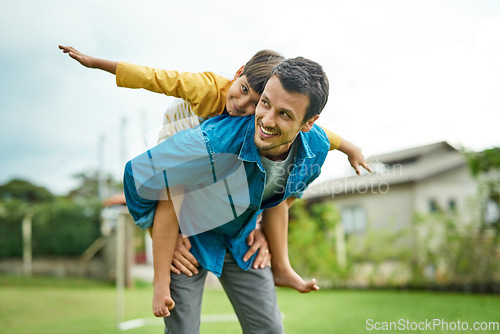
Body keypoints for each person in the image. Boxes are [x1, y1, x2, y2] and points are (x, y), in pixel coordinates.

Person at [59, 46, 371, 319]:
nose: (246, 108)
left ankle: (283, 267)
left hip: (232, 206)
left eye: (261, 104)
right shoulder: (209, 91)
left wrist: (352, 148)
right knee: (174, 190)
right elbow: (155, 78)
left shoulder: (294, 134)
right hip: (182, 150)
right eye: (256, 99)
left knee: (272, 186)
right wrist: (96, 62)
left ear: (306, 123)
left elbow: (321, 137)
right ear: (238, 74)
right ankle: (162, 278)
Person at [123, 55, 333, 333]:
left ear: (309, 123)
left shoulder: (316, 149)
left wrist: (260, 226)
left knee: (270, 329)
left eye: (284, 114)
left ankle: (282, 269)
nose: (267, 120)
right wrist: (158, 233)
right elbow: (138, 173)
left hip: (241, 237)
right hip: (189, 239)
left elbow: (281, 197)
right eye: (265, 103)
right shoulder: (214, 141)